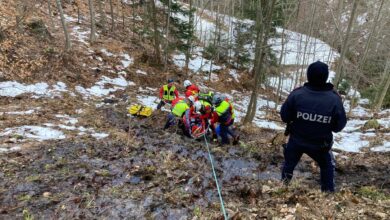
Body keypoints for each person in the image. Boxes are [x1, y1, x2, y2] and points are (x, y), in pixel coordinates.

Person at [280, 61, 347, 192]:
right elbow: (339, 126)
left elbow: (285, 116)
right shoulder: (335, 99)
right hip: (320, 145)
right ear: (326, 77)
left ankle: (282, 189)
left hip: (296, 141)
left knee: (288, 164)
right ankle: (327, 196)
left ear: (308, 75)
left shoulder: (297, 94)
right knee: (327, 167)